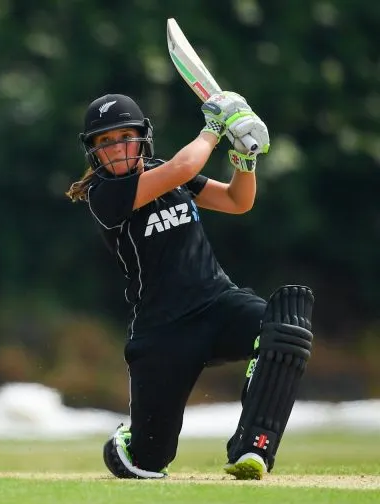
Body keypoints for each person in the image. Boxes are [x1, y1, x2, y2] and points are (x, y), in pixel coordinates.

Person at [66, 93, 314, 480]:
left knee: (285, 328)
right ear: (93, 153)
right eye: (104, 142)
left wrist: (245, 158)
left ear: (142, 139)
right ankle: (132, 442)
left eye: (124, 136)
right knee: (149, 461)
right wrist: (216, 127)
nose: (116, 148)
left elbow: (237, 201)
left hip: (217, 304)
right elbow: (185, 165)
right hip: (162, 330)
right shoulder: (105, 196)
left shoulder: (166, 171)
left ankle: (253, 447)